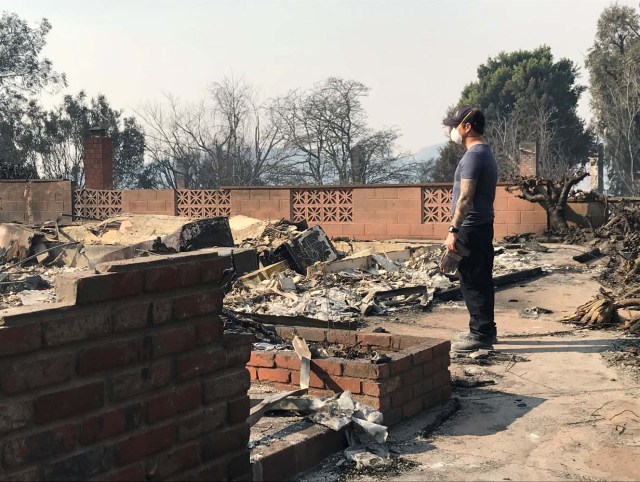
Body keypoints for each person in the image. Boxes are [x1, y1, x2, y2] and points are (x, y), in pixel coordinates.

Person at [442, 106, 498, 353]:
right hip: (481, 226)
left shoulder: (474, 156)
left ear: (467, 127)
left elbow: (466, 198)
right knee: (480, 279)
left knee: (472, 281)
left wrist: (453, 230)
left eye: (455, 125)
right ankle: (484, 328)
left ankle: (481, 334)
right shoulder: (485, 153)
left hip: (471, 228)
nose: (453, 131)